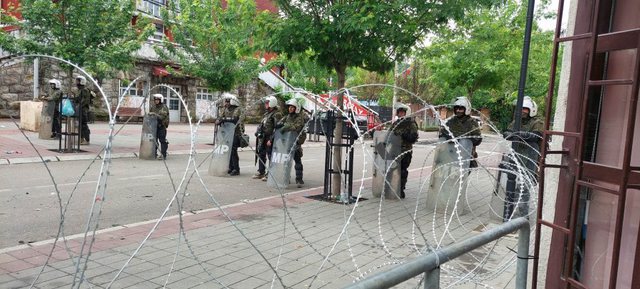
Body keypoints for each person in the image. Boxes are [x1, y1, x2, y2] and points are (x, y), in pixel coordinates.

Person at [439, 96, 483, 166]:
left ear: (466, 109)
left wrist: (464, 138)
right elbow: (442, 135)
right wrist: (447, 137)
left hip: (465, 156)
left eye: (461, 109)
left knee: (461, 175)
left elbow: (477, 139)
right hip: (450, 155)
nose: (458, 110)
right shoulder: (451, 121)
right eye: (456, 108)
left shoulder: (471, 122)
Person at [391, 103, 419, 199]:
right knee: (392, 170)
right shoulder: (395, 124)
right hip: (395, 151)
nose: (401, 114)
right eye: (399, 112)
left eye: (403, 112)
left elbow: (414, 138)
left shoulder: (411, 124)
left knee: (402, 171)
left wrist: (405, 135)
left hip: (405, 151)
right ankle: (392, 188)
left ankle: (401, 189)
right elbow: (389, 135)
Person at [276, 98, 307, 187]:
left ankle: (299, 179)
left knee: (297, 161)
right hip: (287, 142)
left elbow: (297, 127)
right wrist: (279, 125)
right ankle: (286, 178)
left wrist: (285, 127)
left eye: (292, 107)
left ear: (296, 108)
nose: (290, 109)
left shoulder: (299, 118)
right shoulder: (287, 117)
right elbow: (280, 123)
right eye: (289, 107)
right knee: (286, 162)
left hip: (295, 142)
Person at [253, 96, 282, 180]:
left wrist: (271, 139)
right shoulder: (267, 113)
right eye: (266, 103)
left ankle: (270, 173)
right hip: (263, 137)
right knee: (261, 153)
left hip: (270, 138)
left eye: (267, 103)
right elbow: (261, 124)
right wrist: (258, 132)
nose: (266, 104)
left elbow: (277, 128)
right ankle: (261, 171)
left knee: (270, 156)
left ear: (272, 103)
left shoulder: (277, 114)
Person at [216, 93, 245, 176]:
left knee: (233, 150)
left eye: (228, 102)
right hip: (227, 132)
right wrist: (218, 120)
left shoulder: (238, 109)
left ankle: (236, 169)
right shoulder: (225, 109)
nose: (226, 103)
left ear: (232, 102)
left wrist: (223, 120)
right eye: (226, 101)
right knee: (228, 150)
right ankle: (230, 167)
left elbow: (234, 119)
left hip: (236, 132)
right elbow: (220, 117)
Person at [148, 94, 169, 160]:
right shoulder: (153, 107)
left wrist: (154, 114)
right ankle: (154, 154)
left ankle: (163, 154)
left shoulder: (164, 107)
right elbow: (150, 115)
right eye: (155, 100)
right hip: (154, 126)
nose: (156, 101)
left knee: (162, 141)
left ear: (161, 100)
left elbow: (162, 117)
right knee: (154, 141)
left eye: (157, 100)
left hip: (161, 126)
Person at [74, 75, 93, 145]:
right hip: (79, 109)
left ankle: (86, 139)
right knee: (80, 125)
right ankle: (81, 138)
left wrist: (79, 106)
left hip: (83, 110)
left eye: (78, 81)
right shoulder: (79, 90)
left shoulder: (84, 90)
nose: (76, 82)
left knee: (83, 125)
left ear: (82, 81)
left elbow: (85, 101)